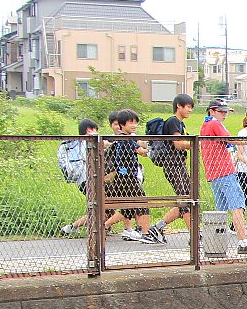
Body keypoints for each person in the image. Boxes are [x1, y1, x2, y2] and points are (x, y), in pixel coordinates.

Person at [200, 100, 247, 255]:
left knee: (221, 208)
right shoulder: (214, 124)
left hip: (213, 172)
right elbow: (230, 139)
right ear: (212, 111)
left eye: (225, 111)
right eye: (221, 111)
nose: (224, 114)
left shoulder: (205, 125)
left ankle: (215, 245)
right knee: (237, 206)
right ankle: (243, 243)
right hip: (224, 171)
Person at [104, 109, 158, 243]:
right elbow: (141, 152)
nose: (134, 125)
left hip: (121, 178)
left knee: (128, 208)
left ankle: (103, 226)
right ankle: (146, 233)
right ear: (122, 125)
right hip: (127, 178)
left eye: (135, 123)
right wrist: (153, 151)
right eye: (130, 123)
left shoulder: (123, 138)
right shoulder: (126, 140)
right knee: (143, 203)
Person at [147, 93, 195, 244]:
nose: (190, 110)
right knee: (186, 200)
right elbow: (178, 144)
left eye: (191, 107)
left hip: (178, 164)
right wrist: (196, 143)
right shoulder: (174, 121)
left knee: (187, 199)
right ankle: (194, 236)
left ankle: (157, 227)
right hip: (173, 165)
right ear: (178, 106)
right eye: (187, 107)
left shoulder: (180, 123)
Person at [59, 118, 99, 235]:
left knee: (99, 207)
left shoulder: (76, 144)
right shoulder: (89, 142)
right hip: (91, 180)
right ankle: (73, 227)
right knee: (100, 207)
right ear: (89, 130)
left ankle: (96, 228)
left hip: (81, 181)